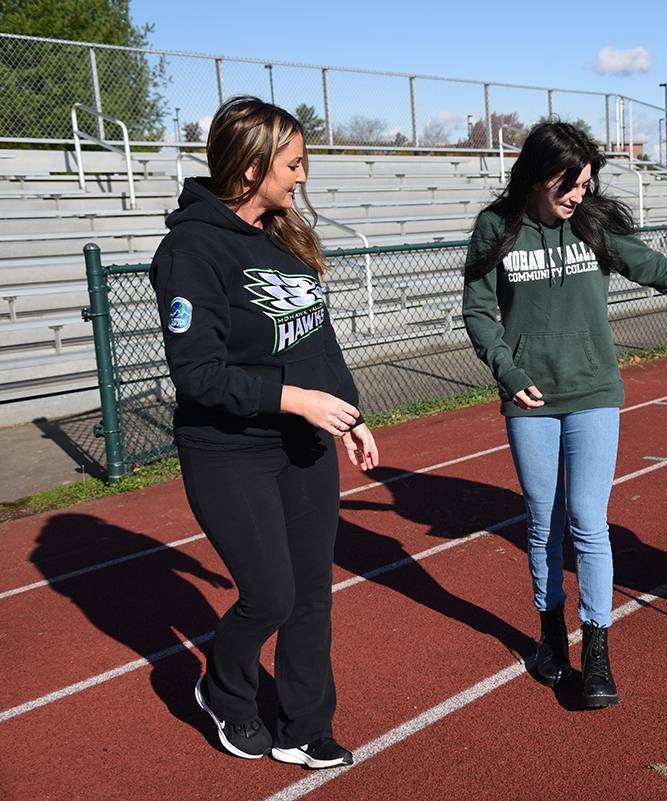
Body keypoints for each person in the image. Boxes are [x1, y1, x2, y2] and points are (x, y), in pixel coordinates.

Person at [462, 122, 667, 707]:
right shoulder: (497, 227)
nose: (578, 196)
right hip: (529, 399)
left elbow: (652, 267)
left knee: (588, 521)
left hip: (593, 391)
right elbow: (480, 312)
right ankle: (549, 637)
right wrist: (507, 372)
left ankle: (596, 650)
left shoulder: (592, 223)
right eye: (569, 184)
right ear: (539, 176)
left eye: (587, 183)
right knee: (543, 521)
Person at [150, 96, 378, 767]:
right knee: (270, 594)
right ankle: (225, 691)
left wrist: (350, 412)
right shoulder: (190, 249)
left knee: (311, 594)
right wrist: (294, 400)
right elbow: (198, 374)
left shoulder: (284, 236)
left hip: (302, 442)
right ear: (250, 168)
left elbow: (318, 340)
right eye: (293, 164)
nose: (302, 177)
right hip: (228, 449)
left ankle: (306, 724)